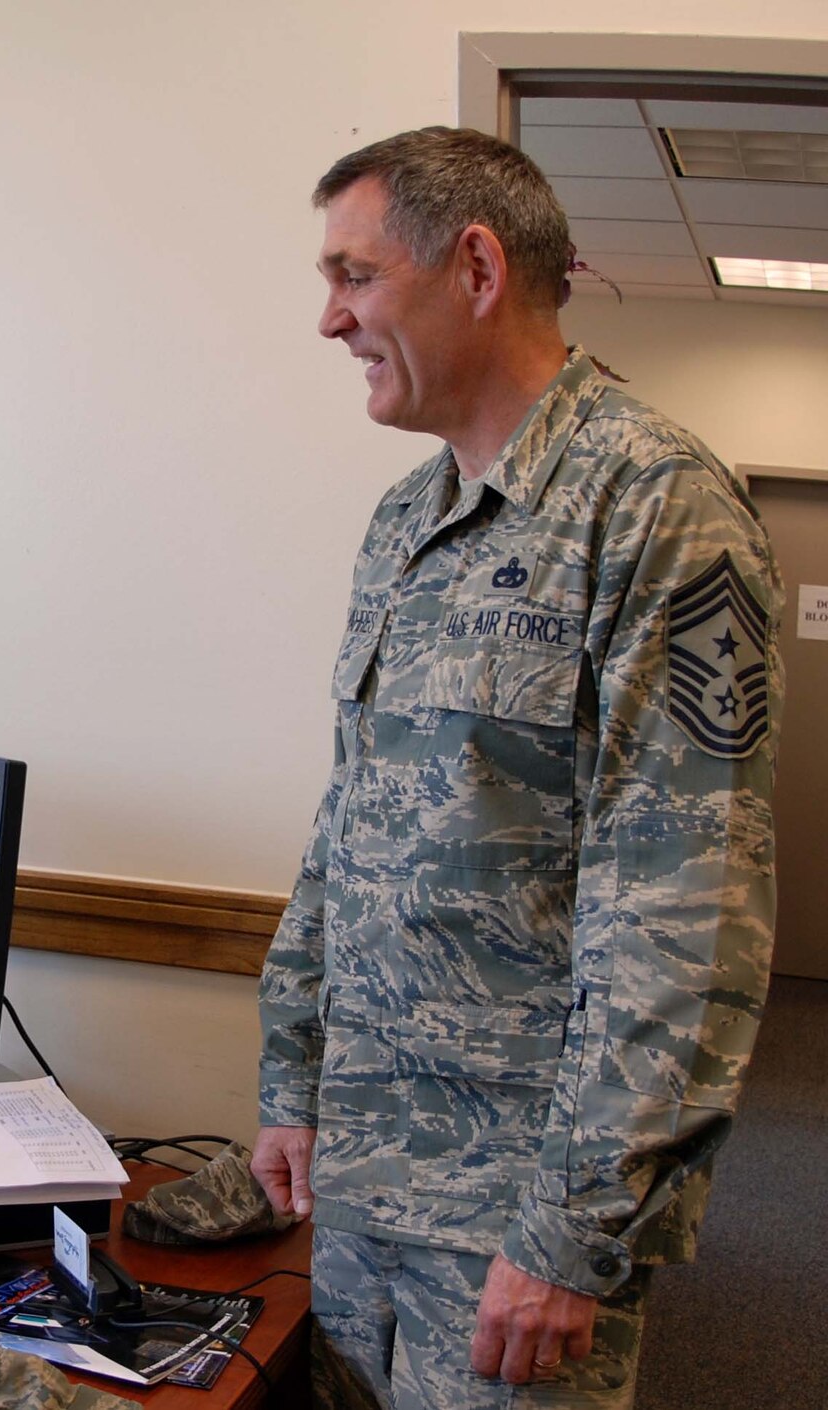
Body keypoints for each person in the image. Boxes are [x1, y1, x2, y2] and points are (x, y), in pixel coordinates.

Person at [251, 128, 782, 1409]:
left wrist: (572, 1234)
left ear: (474, 268)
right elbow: (351, 828)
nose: (328, 318)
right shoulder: (405, 521)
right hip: (362, 1177)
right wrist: (293, 1077)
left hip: (508, 1219)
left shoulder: (655, 507)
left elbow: (684, 916)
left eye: (354, 275)